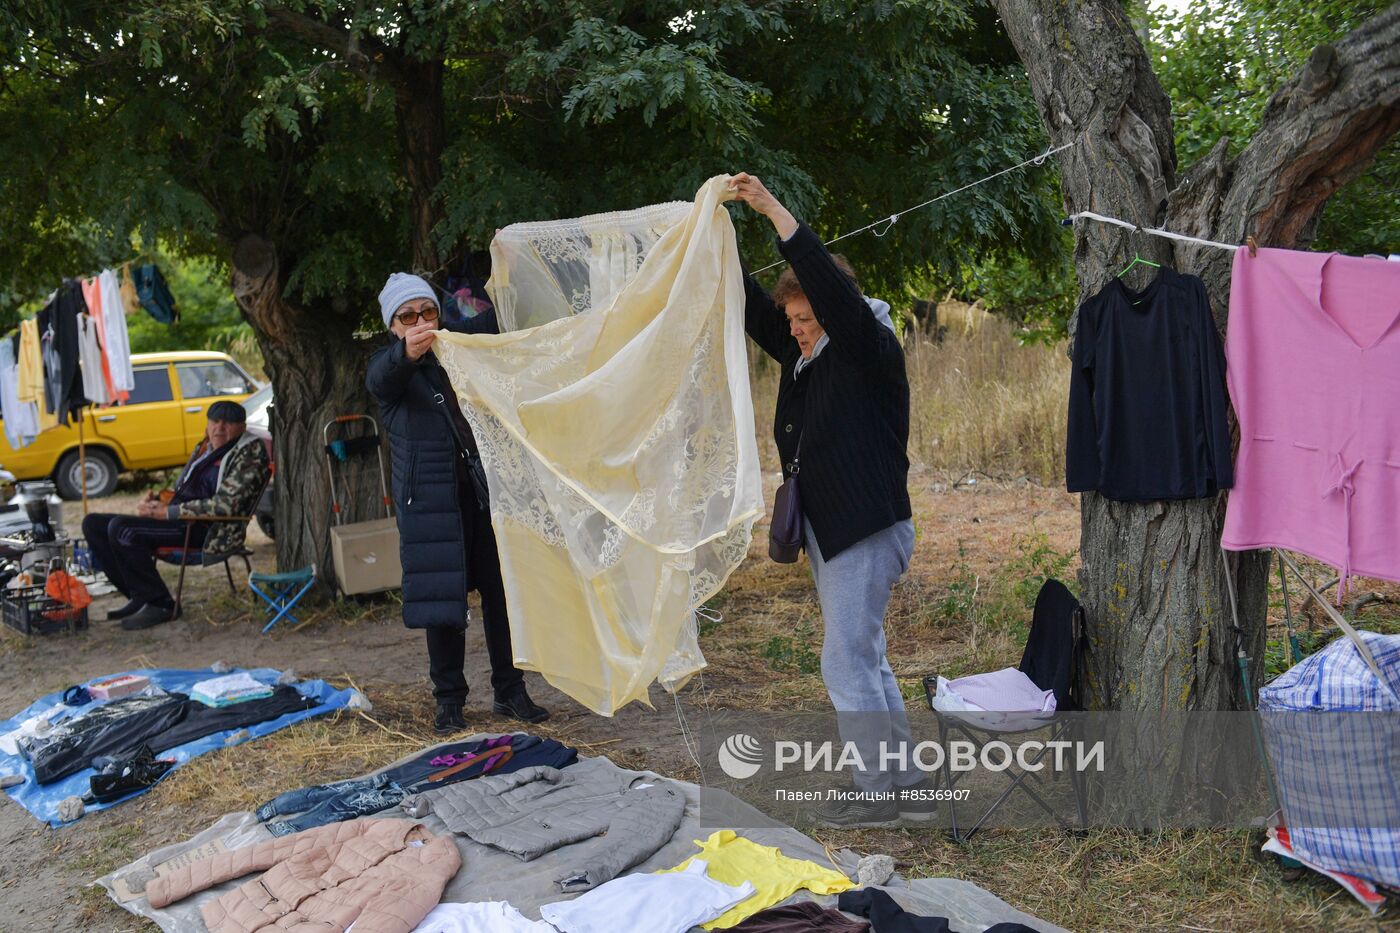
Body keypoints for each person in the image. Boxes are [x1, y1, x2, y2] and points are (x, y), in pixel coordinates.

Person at [731, 172, 928, 826]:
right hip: (837, 530)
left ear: (834, 310)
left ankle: (877, 792)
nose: (795, 330)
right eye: (792, 320)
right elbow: (757, 310)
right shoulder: (806, 354)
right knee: (865, 656)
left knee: (844, 661)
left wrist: (769, 208)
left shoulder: (866, 347)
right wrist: (714, 237)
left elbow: (826, 288)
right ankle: (905, 780)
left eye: (805, 319)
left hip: (863, 529)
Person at [366, 272, 549, 732]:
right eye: (408, 317)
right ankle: (449, 701)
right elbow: (381, 378)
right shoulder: (389, 366)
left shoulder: (457, 346)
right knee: (442, 606)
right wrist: (407, 353)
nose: (420, 323)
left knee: (500, 596)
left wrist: (508, 266)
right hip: (429, 506)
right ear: (392, 325)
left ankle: (511, 691)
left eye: (427, 312)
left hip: (479, 495)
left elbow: (499, 318)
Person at [83, 400, 269, 630]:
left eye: (228, 423)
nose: (219, 428)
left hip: (209, 531)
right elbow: (184, 489)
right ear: (207, 424)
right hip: (182, 520)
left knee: (123, 530)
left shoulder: (249, 453)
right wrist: (156, 503)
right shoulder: (206, 446)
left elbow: (226, 506)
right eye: (215, 421)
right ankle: (139, 595)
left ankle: (160, 604)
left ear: (242, 427)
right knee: (93, 524)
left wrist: (169, 512)